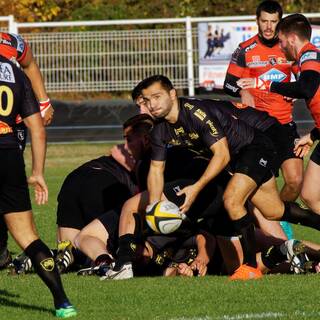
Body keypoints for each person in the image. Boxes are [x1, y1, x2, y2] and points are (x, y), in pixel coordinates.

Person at [122, 74, 320, 281]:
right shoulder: (159, 131)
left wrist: (196, 188)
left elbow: (222, 154)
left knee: (232, 200)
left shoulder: (195, 114)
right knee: (274, 211)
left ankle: (250, 267)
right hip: (238, 157)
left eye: (157, 96)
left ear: (172, 94)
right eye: (147, 100)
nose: (152, 104)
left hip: (255, 147)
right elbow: (155, 169)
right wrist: (154, 204)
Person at [0, 56, 76, 318]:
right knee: (28, 237)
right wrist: (38, 173)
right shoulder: (14, 71)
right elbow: (38, 129)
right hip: (9, 155)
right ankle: (62, 302)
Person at [223, 0, 303, 239]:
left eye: (273, 22)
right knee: (257, 188)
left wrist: (295, 91)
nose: (268, 27)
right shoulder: (245, 49)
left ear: (280, 22)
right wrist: (242, 91)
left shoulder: (288, 48)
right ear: (257, 20)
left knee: (295, 181)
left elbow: (302, 81)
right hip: (256, 129)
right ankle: (275, 226)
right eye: (264, 21)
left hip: (285, 125)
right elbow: (227, 83)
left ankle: (277, 216)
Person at [237, 14, 320, 214]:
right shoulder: (306, 60)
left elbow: (306, 88)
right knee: (309, 194)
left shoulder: (309, 55)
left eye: (282, 42)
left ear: (292, 39)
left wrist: (264, 84)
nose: (281, 47)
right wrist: (313, 135)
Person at [0, 32, 54, 268]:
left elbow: (29, 63)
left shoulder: (11, 41)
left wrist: (43, 102)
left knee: (9, 187)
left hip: (15, 123)